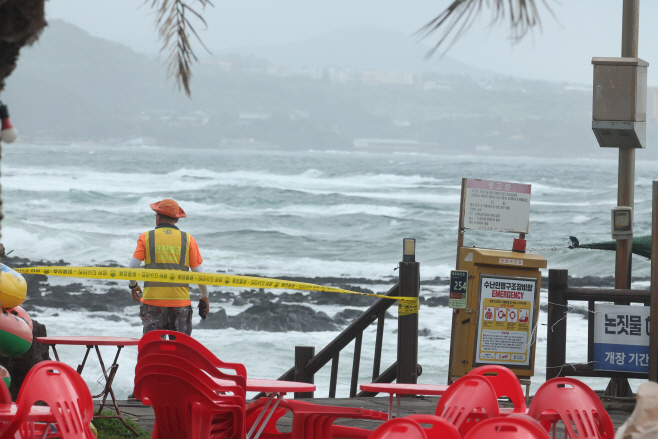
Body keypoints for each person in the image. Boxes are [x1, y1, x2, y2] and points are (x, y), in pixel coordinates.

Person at [128, 199, 209, 335]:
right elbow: (198, 272)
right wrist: (204, 296)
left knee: (154, 348)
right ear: (176, 220)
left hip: (153, 303)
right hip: (180, 303)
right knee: (178, 351)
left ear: (157, 217)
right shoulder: (188, 239)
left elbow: (132, 268)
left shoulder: (147, 237)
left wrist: (133, 285)